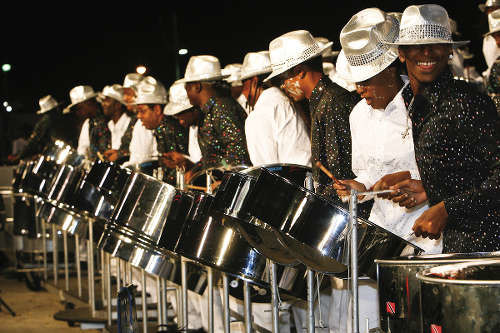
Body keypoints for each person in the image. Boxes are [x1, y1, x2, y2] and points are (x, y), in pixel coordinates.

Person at [387, 4, 500, 253]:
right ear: (402, 53)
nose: (427, 52)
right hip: (458, 247)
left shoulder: (467, 102)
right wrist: (429, 190)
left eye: (436, 43)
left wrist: (447, 208)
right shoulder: (418, 105)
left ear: (449, 50)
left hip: (488, 248)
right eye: (417, 44)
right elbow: (470, 172)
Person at [174, 55, 251, 183]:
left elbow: (239, 153)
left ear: (197, 87)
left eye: (187, 88)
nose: (186, 93)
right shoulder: (209, 110)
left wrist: (223, 180)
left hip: (229, 185)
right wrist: (196, 170)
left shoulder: (222, 107)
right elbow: (212, 156)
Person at [241, 50, 311, 166]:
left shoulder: (259, 115)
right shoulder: (287, 101)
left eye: (244, 84)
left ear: (254, 81)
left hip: (291, 180)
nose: (243, 93)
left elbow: (265, 167)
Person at [134, 77, 188, 185]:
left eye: (142, 111)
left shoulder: (169, 129)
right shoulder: (161, 129)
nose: (139, 116)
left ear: (157, 109)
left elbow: (176, 170)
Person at [8, 95, 63, 162]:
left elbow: (33, 141)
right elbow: (33, 141)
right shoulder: (52, 119)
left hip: (54, 155)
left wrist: (19, 156)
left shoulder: (45, 121)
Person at [64, 85, 108, 161]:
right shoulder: (87, 123)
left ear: (88, 103)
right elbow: (82, 148)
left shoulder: (108, 118)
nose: (78, 113)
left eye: (79, 108)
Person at [99, 84, 137, 163]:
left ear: (118, 105)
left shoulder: (130, 123)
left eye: (107, 100)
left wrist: (120, 154)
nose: (103, 104)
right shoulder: (109, 125)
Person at [480, 0, 500, 80]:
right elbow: (492, 66)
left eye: (494, 9)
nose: (491, 12)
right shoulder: (487, 40)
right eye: (489, 10)